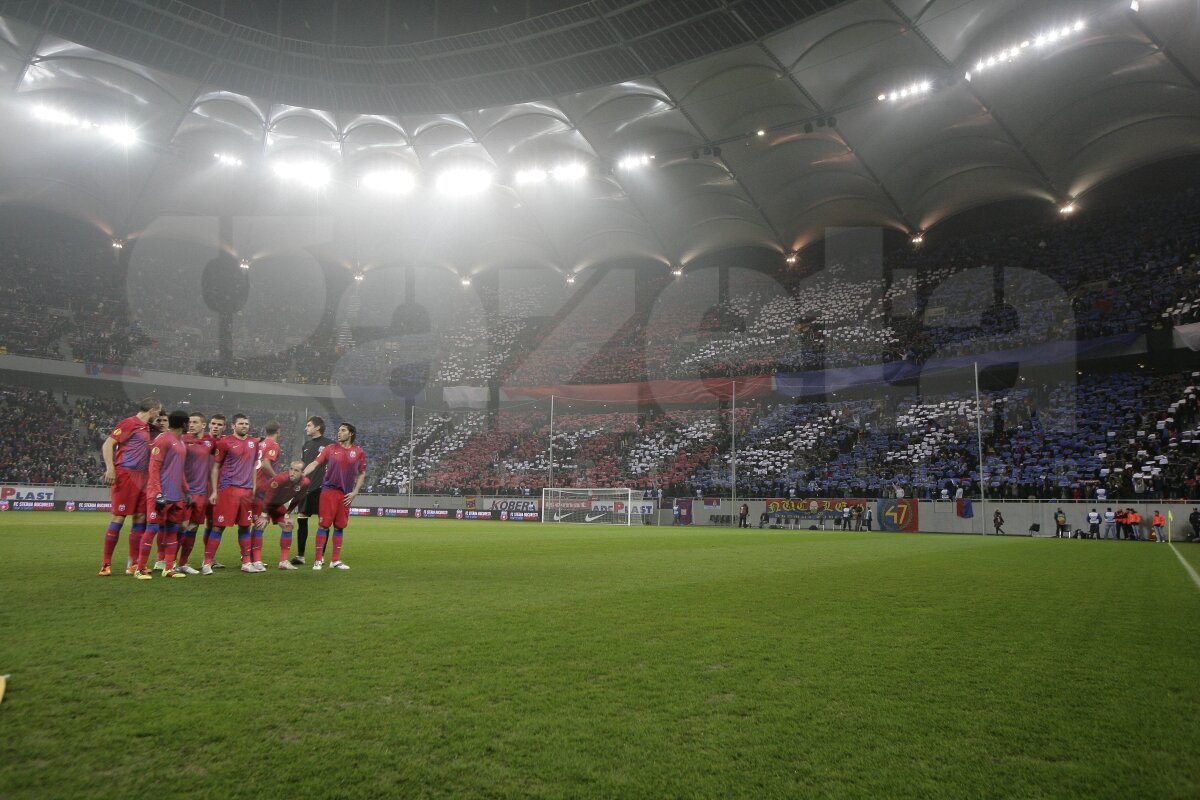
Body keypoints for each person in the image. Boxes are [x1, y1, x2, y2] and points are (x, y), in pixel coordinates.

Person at [97, 397, 162, 576]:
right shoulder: (129, 423)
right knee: (119, 517)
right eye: (158, 412)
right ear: (152, 409)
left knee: (140, 518)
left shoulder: (149, 429)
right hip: (125, 474)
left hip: (144, 478)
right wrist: (110, 468)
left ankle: (133, 564)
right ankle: (106, 564)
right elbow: (108, 444)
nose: (158, 416)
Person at [302, 422, 366, 570]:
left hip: (346, 495)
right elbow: (315, 463)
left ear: (350, 434)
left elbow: (362, 473)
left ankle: (335, 560)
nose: (339, 433)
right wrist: (302, 474)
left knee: (340, 526)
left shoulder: (358, 452)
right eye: (338, 430)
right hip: (328, 491)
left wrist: (355, 492)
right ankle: (318, 560)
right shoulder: (330, 449)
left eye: (342, 430)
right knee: (324, 525)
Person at [138, 410, 192, 579]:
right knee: (152, 529)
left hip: (176, 496)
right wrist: (157, 493)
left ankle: (168, 568)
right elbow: (154, 467)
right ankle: (140, 569)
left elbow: (179, 469)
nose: (189, 426)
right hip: (161, 495)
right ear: (183, 424)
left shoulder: (181, 443)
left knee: (172, 531)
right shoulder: (163, 439)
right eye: (188, 423)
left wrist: (186, 490)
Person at [206, 413, 260, 574]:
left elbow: (253, 466)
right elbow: (215, 467)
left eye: (246, 423)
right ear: (233, 426)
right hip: (228, 490)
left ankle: (246, 563)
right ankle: (207, 562)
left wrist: (254, 487)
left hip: (246, 492)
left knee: (245, 527)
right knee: (218, 527)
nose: (244, 426)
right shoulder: (224, 443)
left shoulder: (253, 442)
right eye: (241, 423)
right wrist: (215, 491)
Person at [253, 460, 311, 569]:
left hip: (276, 502)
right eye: (291, 469)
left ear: (302, 473)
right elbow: (268, 496)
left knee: (288, 525)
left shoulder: (305, 483)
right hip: (262, 498)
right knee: (261, 524)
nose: (292, 472)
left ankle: (283, 562)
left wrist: (287, 514)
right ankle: (256, 561)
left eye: (296, 470)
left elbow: (297, 499)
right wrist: (264, 515)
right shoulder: (281, 479)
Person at [175, 412, 212, 574]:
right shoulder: (183, 440)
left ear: (203, 425)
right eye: (190, 422)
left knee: (193, 528)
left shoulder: (210, 442)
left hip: (202, 493)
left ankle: (183, 563)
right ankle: (169, 562)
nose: (191, 425)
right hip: (185, 492)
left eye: (195, 422)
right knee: (182, 526)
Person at [292, 416, 332, 565]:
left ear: (317, 428)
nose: (306, 428)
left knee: (324, 523)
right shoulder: (306, 445)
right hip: (306, 489)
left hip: (322, 490)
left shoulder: (330, 445)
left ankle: (320, 556)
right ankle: (300, 556)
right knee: (302, 521)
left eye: (309, 425)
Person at [201, 414, 227, 567]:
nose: (216, 426)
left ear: (224, 427)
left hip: (216, 488)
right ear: (209, 425)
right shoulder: (201, 439)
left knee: (213, 523)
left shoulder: (225, 443)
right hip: (199, 487)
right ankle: (171, 560)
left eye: (219, 424)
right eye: (214, 423)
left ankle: (209, 558)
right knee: (187, 524)